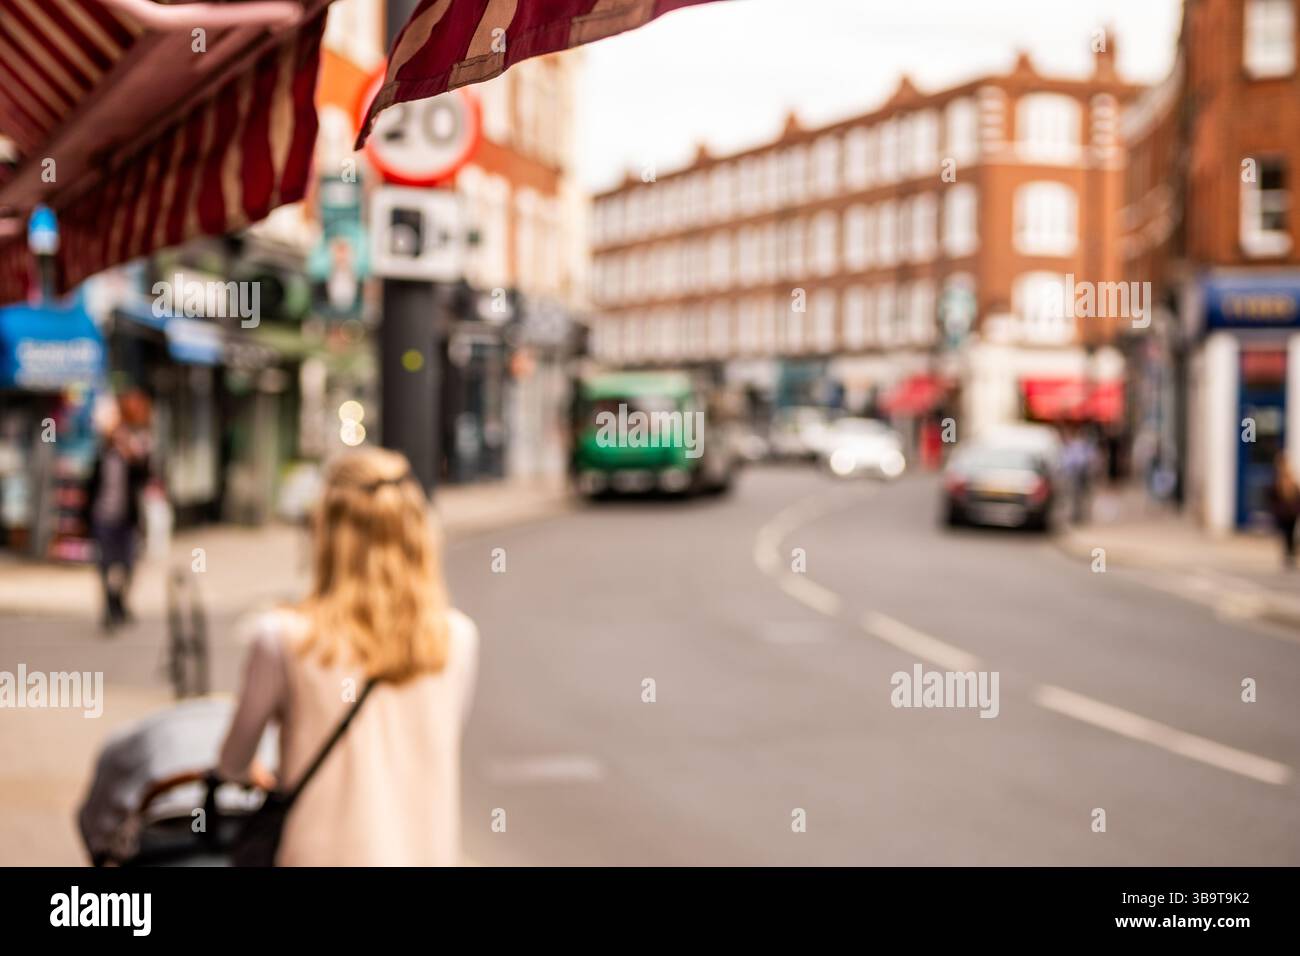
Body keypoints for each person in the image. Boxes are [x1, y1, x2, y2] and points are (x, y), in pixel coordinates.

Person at [218, 448, 479, 866]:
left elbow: (232, 764)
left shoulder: (284, 638)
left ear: (325, 533)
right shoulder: (457, 639)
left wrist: (259, 771)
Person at [85, 421, 150, 631]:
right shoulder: (101, 460)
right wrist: (85, 520)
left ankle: (118, 599)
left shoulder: (131, 462)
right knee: (104, 564)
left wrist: (135, 456)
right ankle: (108, 605)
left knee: (128, 564)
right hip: (103, 518)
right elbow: (89, 489)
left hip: (126, 520)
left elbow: (146, 477)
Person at [1269, 453, 1300, 568]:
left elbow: (1297, 496)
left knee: (1288, 534)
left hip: (1289, 513)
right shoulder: (1279, 480)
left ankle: (1290, 554)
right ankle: (1289, 554)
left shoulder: (1285, 479)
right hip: (1287, 513)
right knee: (1288, 534)